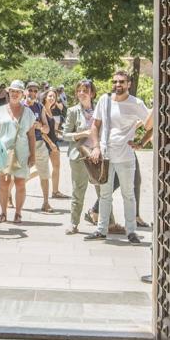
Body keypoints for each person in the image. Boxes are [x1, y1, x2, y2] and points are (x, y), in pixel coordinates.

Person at [85, 71, 153, 244]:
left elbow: (151, 125)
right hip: (106, 156)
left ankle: (131, 231)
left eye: (121, 82)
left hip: (126, 156)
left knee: (128, 195)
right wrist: (95, 147)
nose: (117, 85)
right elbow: (95, 126)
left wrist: (142, 143)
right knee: (105, 195)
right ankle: (101, 230)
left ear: (129, 84)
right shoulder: (104, 100)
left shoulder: (136, 103)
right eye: (115, 81)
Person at [62, 80, 100, 234]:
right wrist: (82, 134)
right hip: (79, 156)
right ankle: (74, 223)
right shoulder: (73, 111)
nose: (82, 93)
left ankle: (108, 223)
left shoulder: (100, 109)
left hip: (98, 155)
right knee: (78, 190)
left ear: (92, 93)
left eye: (85, 90)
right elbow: (65, 135)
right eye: (79, 91)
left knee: (103, 190)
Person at [0, 81, 36, 223]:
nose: (14, 94)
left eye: (17, 91)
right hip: (4, 152)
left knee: (20, 183)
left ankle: (18, 213)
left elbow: (31, 136)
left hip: (22, 152)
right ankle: (3, 212)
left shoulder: (29, 113)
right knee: (4, 183)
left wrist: (33, 155)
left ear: (22, 94)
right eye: (12, 91)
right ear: (8, 92)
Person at [24, 81, 53, 212]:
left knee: (44, 174)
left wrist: (40, 126)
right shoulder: (19, 106)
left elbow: (47, 129)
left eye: (36, 91)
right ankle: (9, 197)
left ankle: (46, 203)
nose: (33, 93)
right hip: (23, 144)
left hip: (39, 143)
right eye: (30, 90)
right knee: (17, 174)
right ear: (25, 91)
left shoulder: (40, 107)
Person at [41, 88, 69, 199]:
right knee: (38, 169)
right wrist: (50, 143)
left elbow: (51, 128)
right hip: (46, 143)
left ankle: (55, 191)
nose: (52, 98)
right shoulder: (42, 109)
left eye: (54, 97)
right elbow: (40, 130)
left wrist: (59, 132)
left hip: (54, 141)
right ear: (45, 97)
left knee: (56, 167)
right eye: (50, 96)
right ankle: (20, 182)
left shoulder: (50, 110)